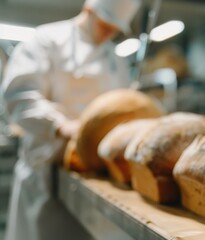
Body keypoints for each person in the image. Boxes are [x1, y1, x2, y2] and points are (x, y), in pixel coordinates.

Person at [1, 0, 141, 239]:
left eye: (114, 29)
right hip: (44, 169)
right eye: (105, 25)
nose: (109, 34)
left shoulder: (115, 60)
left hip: (94, 173)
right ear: (89, 10)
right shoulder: (47, 40)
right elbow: (18, 96)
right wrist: (60, 125)